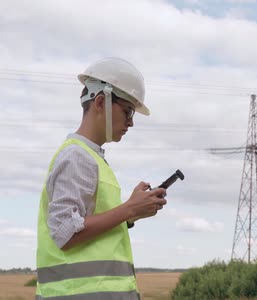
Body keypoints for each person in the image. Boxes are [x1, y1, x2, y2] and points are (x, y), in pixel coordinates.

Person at [35, 57, 167, 300]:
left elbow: (87, 224)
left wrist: (133, 212)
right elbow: (65, 233)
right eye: (127, 111)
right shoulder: (77, 156)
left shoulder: (90, 157)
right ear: (100, 102)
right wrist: (128, 209)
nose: (131, 122)